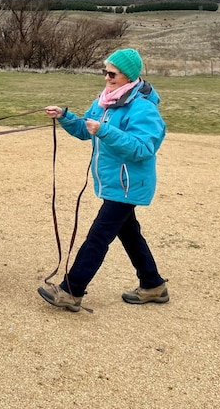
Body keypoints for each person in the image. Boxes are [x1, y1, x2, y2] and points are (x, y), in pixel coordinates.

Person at [38, 48, 168, 312]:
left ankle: (71, 291)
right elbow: (86, 130)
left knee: (98, 236)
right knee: (129, 234)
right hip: (114, 183)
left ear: (128, 76)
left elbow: (143, 148)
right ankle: (153, 284)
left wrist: (105, 131)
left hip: (129, 185)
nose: (107, 78)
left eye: (112, 73)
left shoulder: (143, 108)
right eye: (105, 72)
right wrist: (65, 117)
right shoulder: (106, 101)